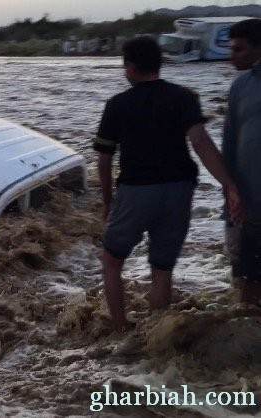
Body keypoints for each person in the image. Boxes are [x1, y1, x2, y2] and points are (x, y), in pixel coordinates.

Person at [94, 36, 243, 330]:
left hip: (137, 191)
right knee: (162, 268)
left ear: (131, 67)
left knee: (112, 261)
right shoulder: (184, 97)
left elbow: (103, 159)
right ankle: (157, 336)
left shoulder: (117, 104)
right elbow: (200, 141)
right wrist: (229, 185)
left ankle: (121, 328)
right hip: (179, 190)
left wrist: (108, 201)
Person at [223, 18, 261, 303]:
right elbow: (229, 143)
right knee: (246, 278)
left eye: (239, 50)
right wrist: (230, 191)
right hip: (247, 201)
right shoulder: (241, 86)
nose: (231, 56)